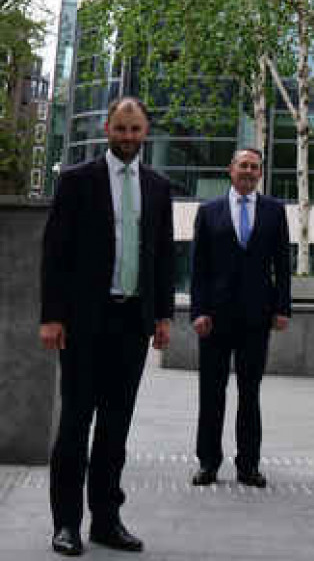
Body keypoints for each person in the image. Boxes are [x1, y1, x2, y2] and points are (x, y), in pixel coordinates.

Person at [40, 96, 174, 557]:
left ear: (146, 132)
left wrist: (162, 316)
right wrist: (52, 316)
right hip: (82, 323)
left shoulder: (158, 186)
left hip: (132, 323)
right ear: (106, 128)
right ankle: (65, 524)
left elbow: (162, 254)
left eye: (136, 130)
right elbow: (55, 253)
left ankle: (106, 519)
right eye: (121, 129)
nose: (128, 138)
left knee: (116, 429)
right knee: (76, 423)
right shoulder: (77, 181)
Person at [189, 146, 291, 488]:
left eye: (255, 167)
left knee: (250, 393)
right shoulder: (208, 212)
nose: (249, 171)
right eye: (243, 165)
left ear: (260, 173)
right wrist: (199, 310)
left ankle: (248, 465)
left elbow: (282, 266)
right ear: (230, 170)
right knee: (211, 393)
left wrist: (281, 308)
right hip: (214, 319)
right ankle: (208, 462)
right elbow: (198, 268)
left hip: (256, 319)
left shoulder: (275, 212)